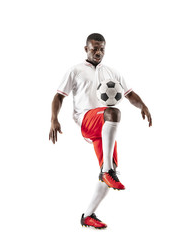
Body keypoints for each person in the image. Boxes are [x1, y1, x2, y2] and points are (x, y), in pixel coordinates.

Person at [49, 33, 152, 229]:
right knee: (113, 112)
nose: (98, 52)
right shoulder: (75, 70)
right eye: (94, 48)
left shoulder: (112, 72)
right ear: (86, 49)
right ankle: (107, 171)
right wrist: (54, 119)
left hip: (104, 128)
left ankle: (88, 215)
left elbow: (129, 94)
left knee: (110, 169)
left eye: (101, 49)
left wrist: (143, 106)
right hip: (86, 119)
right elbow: (58, 96)